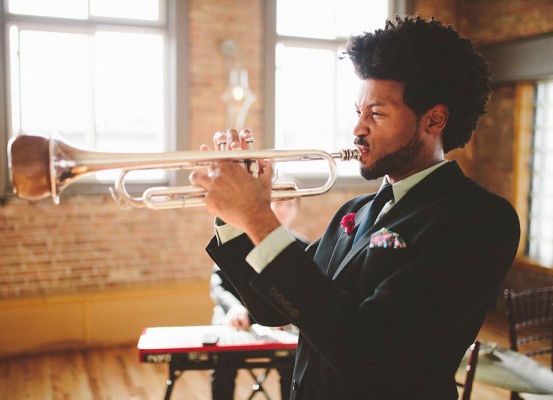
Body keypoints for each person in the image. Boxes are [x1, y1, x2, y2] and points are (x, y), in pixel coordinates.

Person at [191, 15, 520, 400]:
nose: (358, 129)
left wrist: (257, 216)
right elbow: (276, 308)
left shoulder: (479, 219)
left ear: (434, 119)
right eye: (358, 112)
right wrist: (232, 219)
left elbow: (369, 353)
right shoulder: (357, 210)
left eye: (376, 113)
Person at [210, 197, 308, 400]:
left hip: (283, 324)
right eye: (279, 203)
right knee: (222, 364)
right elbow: (218, 285)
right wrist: (235, 308)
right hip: (237, 317)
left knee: (295, 364)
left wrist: (286, 315)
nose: (283, 209)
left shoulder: (302, 245)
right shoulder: (238, 241)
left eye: (290, 205)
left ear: (296, 210)